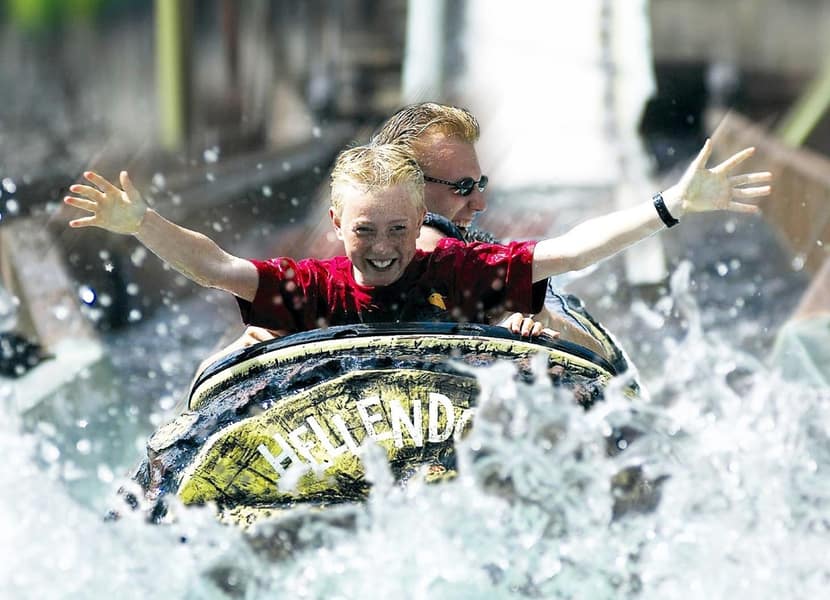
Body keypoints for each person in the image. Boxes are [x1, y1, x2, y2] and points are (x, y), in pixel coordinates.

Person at [64, 140, 771, 362]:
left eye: (398, 230)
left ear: (420, 221)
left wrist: (672, 205)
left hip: (448, 390)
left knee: (539, 318)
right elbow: (214, 264)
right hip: (338, 416)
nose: (382, 248)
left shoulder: (460, 269)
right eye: (366, 231)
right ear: (337, 224)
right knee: (244, 346)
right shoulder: (314, 286)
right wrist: (142, 222)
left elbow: (573, 250)